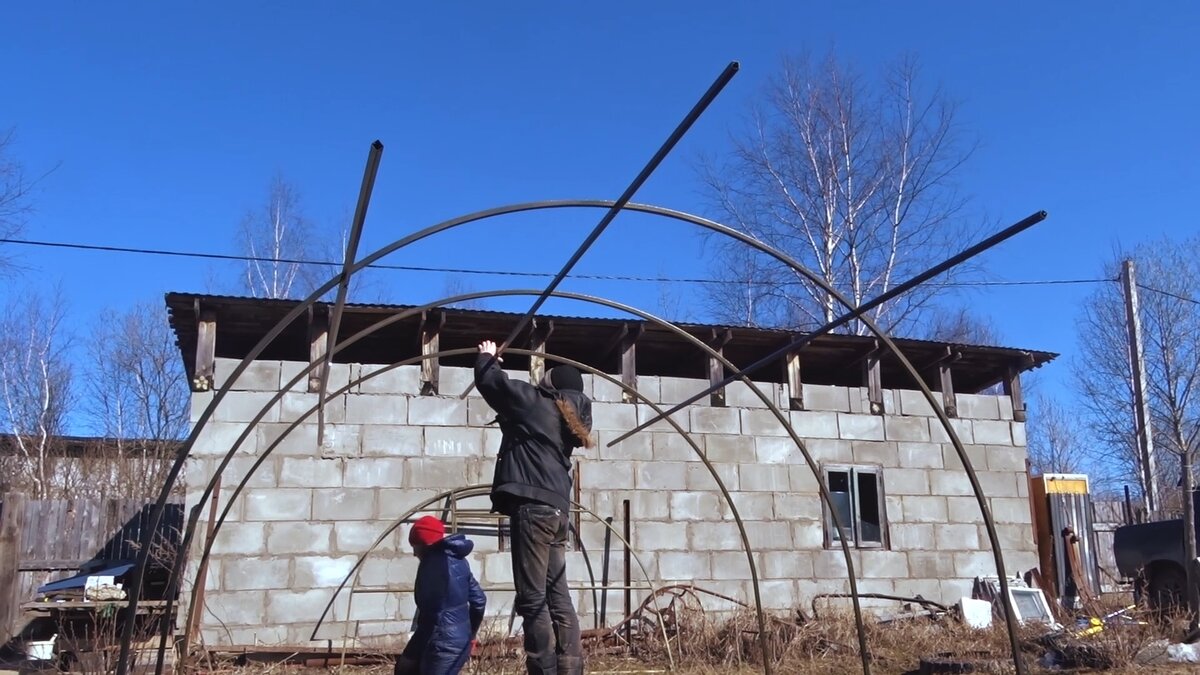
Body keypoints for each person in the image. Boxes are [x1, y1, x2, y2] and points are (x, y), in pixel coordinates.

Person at [474, 339, 593, 675]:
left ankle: (542, 669)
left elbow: (493, 384)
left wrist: (487, 356)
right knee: (557, 595)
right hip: (557, 512)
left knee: (532, 598)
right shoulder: (571, 418)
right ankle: (570, 668)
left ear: (552, 386)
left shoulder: (540, 405)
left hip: (533, 508)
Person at [394, 515, 487, 675]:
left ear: (425, 544)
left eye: (415, 546)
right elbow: (479, 600)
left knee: (405, 669)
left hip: (443, 643)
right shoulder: (459, 561)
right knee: (404, 668)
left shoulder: (432, 566)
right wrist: (470, 635)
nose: (414, 553)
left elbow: (431, 614)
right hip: (449, 638)